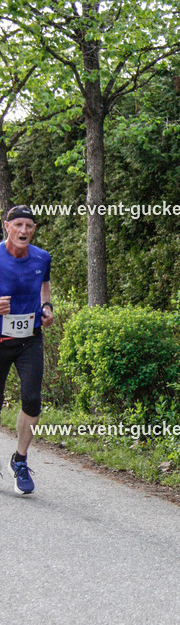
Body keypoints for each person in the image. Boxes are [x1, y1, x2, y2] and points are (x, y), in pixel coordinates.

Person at [0, 205, 54, 494]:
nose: (24, 231)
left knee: (32, 400)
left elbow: (44, 287)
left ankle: (19, 460)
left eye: (29, 226)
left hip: (29, 338)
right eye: (18, 224)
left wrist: (47, 307)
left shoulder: (42, 257)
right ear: (6, 226)